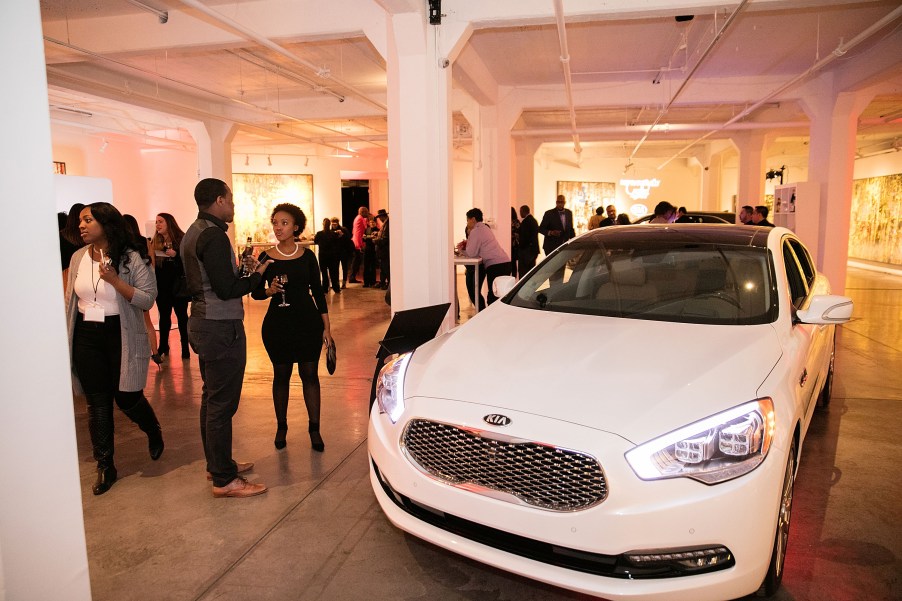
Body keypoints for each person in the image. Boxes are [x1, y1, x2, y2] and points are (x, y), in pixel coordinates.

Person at [65, 202, 163, 495]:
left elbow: (147, 299)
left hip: (120, 332)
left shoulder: (131, 258)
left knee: (127, 396)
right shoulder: (78, 257)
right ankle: (105, 464)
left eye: (87, 220)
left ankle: (152, 429)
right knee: (97, 402)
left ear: (105, 223)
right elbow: (71, 300)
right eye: (80, 221)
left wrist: (115, 280)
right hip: (86, 334)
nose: (81, 225)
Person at [182, 178, 270, 498]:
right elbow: (226, 289)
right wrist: (258, 274)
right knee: (222, 403)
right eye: (230, 199)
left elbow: (213, 281)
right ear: (219, 200)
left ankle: (217, 464)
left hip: (203, 322)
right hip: (220, 326)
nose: (233, 205)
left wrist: (241, 271)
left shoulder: (194, 232)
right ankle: (224, 479)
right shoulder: (214, 236)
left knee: (212, 398)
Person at [252, 204, 332, 452]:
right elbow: (255, 292)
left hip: (308, 322)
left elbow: (318, 292)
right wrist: (269, 291)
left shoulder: (307, 256)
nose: (278, 227)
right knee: (281, 375)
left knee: (310, 374)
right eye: (275, 223)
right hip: (278, 325)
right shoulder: (266, 257)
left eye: (284, 223)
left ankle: (314, 429)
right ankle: (281, 426)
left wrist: (327, 328)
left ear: (296, 227)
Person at [123, 213, 163, 368]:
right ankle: (155, 352)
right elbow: (152, 263)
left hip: (128, 284)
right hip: (144, 284)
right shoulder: (144, 241)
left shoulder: (123, 244)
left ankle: (134, 353)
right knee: (147, 321)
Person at [152, 213, 191, 359]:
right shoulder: (155, 241)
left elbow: (189, 262)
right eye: (156, 222)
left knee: (182, 317)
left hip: (178, 285)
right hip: (162, 286)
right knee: (164, 317)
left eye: (160, 221)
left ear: (169, 223)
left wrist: (176, 256)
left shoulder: (181, 239)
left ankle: (185, 347)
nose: (157, 225)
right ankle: (163, 345)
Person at [456, 208, 512, 307]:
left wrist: (461, 250)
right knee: (499, 295)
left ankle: (489, 316)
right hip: (504, 262)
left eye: (467, 220)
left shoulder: (476, 231)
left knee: (493, 297)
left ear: (473, 219)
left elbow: (471, 253)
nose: (467, 223)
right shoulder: (485, 228)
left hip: (496, 265)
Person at [314, 217, 341, 293]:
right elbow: (336, 243)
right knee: (333, 272)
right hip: (332, 255)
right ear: (330, 225)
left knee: (324, 273)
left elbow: (315, 241)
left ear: (323, 224)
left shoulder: (319, 234)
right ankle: (336, 288)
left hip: (323, 255)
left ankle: (325, 288)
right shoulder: (333, 234)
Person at [518, 204, 539, 276]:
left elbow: (524, 238)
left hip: (526, 252)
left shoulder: (526, 222)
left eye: (520, 211)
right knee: (531, 273)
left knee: (524, 273)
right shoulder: (534, 221)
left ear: (524, 211)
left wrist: (520, 245)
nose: (520, 214)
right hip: (533, 251)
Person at [331, 217, 353, 289]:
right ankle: (336, 283)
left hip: (343, 251)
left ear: (338, 223)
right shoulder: (331, 231)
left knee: (344, 268)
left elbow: (348, 239)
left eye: (335, 224)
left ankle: (344, 283)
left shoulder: (343, 229)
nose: (334, 225)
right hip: (335, 252)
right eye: (332, 224)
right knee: (335, 268)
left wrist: (342, 235)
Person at [348, 206, 369, 283]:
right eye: (366, 212)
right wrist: (360, 245)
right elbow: (359, 232)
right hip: (357, 242)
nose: (367, 213)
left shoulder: (357, 218)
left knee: (356, 261)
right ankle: (352, 277)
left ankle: (352, 277)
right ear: (362, 212)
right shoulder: (360, 218)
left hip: (355, 241)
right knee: (356, 261)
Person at [374, 209, 390, 289]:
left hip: (385, 250)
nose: (379, 219)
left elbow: (385, 238)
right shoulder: (386, 223)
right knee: (383, 267)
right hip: (383, 250)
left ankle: (388, 284)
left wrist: (375, 240)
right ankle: (383, 282)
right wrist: (377, 234)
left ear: (382, 216)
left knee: (386, 267)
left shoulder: (388, 224)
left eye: (380, 217)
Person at [362, 215, 378, 287]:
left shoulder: (378, 230)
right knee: (366, 266)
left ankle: (372, 282)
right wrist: (365, 237)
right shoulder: (367, 229)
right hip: (367, 249)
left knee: (373, 267)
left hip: (374, 250)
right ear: (368, 223)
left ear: (375, 223)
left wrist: (368, 237)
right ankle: (366, 282)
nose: (372, 223)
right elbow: (364, 239)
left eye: (373, 222)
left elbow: (376, 239)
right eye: (371, 222)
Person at [510, 207, 520, 278]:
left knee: (513, 262)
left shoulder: (516, 222)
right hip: (512, 245)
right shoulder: (516, 222)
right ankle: (513, 276)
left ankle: (513, 277)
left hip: (514, 245)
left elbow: (518, 232)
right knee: (512, 263)